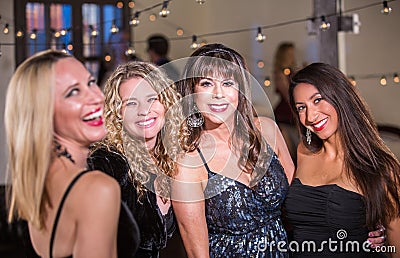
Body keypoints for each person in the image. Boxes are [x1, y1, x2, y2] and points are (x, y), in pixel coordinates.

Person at [5, 49, 139, 258]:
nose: (96, 97)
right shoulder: (96, 189)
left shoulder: (37, 184)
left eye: (91, 82)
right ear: (43, 113)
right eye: (73, 92)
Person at [172, 43, 295, 257]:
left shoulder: (267, 130)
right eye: (207, 83)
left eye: (228, 83)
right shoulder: (189, 164)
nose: (218, 94)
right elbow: (196, 252)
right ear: (192, 92)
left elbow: (299, 201)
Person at [284, 62, 400, 257]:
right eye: (301, 107)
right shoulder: (304, 151)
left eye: (318, 100)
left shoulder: (381, 167)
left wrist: (382, 235)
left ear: (340, 98)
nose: (311, 116)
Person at [87, 61, 188, 258]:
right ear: (118, 113)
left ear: (166, 102)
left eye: (152, 99)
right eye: (131, 103)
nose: (144, 110)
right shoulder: (106, 164)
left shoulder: (177, 157)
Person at [272, 42, 299, 163]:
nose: (293, 56)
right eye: (290, 54)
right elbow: (288, 95)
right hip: (285, 112)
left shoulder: (291, 71)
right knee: (288, 149)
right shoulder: (280, 74)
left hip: (290, 110)